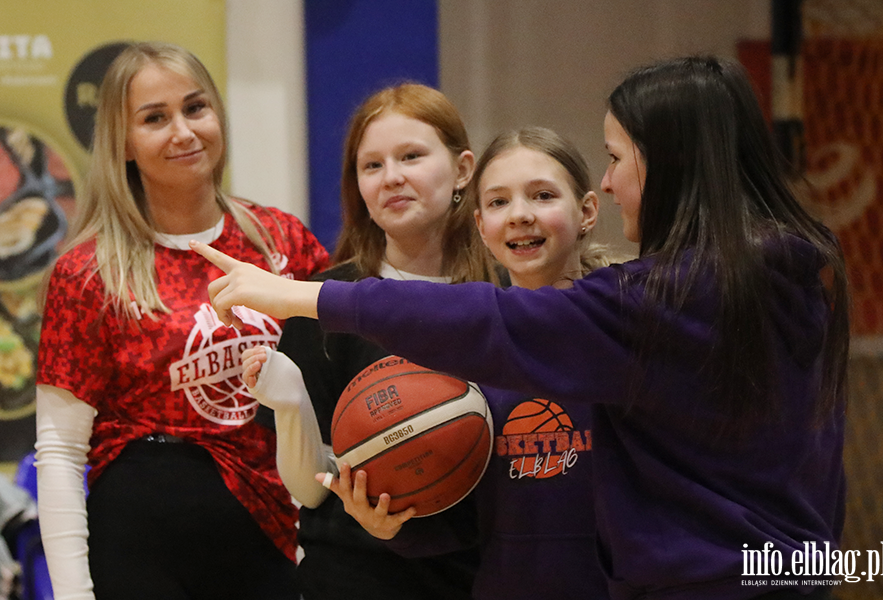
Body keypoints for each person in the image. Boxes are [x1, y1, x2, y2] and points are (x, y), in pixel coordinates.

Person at [194, 55, 849, 600]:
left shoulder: (663, 301)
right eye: (500, 202)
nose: (614, 180)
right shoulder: (765, 274)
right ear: (478, 218)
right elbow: (483, 512)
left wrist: (303, 295)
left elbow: (499, 322)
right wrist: (401, 523)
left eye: (616, 158)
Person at [34, 41, 329, 600]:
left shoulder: (284, 240)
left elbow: (334, 400)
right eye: (154, 118)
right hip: (142, 541)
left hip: (272, 530)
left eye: (196, 108)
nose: (184, 132)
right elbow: (60, 452)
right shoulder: (88, 271)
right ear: (123, 142)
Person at [321, 126, 611, 599]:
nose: (519, 215)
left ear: (587, 211)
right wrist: (391, 520)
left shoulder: (623, 329)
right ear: (480, 225)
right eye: (498, 203)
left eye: (541, 195)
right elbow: (460, 520)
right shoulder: (465, 359)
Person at [243, 83, 495, 600]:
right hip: (353, 576)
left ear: (463, 169)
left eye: (411, 156)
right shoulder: (322, 303)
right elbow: (310, 491)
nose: (392, 178)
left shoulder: (508, 296)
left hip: (482, 572)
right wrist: (290, 403)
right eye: (372, 165)